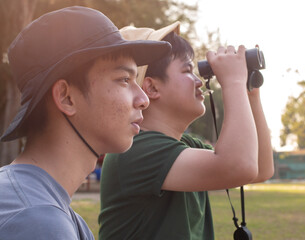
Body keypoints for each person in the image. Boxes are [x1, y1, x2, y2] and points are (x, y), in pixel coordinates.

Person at [0, 6, 171, 240]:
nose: (143, 100)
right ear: (66, 97)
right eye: (124, 79)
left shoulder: (51, 212)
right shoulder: (37, 222)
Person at [99, 22, 274, 240]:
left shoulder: (187, 146)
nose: (199, 81)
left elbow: (260, 168)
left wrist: (250, 94)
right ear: (152, 88)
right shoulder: (134, 150)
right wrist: (233, 82)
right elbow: (239, 166)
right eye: (188, 70)